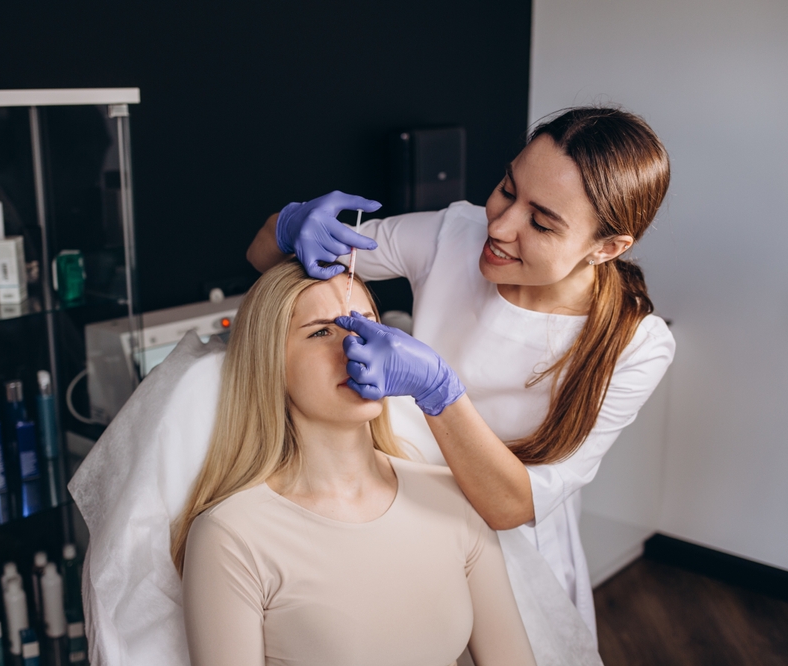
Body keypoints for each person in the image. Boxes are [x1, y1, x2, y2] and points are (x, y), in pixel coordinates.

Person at [246, 107, 676, 633]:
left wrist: (439, 392)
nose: (500, 225)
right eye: (506, 188)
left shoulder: (636, 346)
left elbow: (510, 506)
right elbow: (267, 258)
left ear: (607, 248)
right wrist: (290, 223)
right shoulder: (454, 233)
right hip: (400, 508)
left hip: (516, 546)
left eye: (541, 222)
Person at [172, 259, 536, 666]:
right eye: (322, 331)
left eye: (364, 322)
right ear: (270, 362)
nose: (356, 346)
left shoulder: (454, 497)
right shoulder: (231, 536)